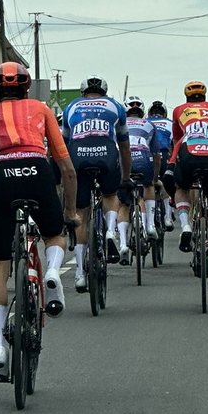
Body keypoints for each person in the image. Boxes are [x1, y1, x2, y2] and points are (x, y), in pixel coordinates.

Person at [0, 62, 78, 381]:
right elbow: (67, 169)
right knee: (54, 235)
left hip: (0, 175)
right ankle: (52, 272)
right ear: (25, 88)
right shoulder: (41, 109)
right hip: (37, 169)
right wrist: (70, 212)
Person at [62, 75, 132, 290]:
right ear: (105, 91)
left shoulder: (71, 107)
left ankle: (80, 274)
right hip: (107, 155)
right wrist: (126, 178)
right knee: (110, 195)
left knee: (82, 212)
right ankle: (111, 231)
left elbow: (63, 144)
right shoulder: (115, 106)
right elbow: (125, 146)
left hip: (78, 157)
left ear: (83, 92)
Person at [165, 80, 208, 296]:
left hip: (189, 151)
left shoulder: (178, 111)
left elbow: (177, 140)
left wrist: (171, 166)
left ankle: (185, 225)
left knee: (182, 186)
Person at [124, 95, 163, 251]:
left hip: (124, 160)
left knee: (120, 200)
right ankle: (150, 225)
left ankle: (117, 233)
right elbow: (157, 156)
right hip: (143, 158)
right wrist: (154, 178)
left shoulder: (118, 124)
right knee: (148, 186)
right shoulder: (149, 125)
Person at [147, 100, 175, 229]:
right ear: (164, 113)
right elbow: (174, 144)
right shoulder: (170, 123)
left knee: (146, 184)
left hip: (145, 155)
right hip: (163, 155)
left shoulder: (145, 123)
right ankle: (168, 217)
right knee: (165, 183)